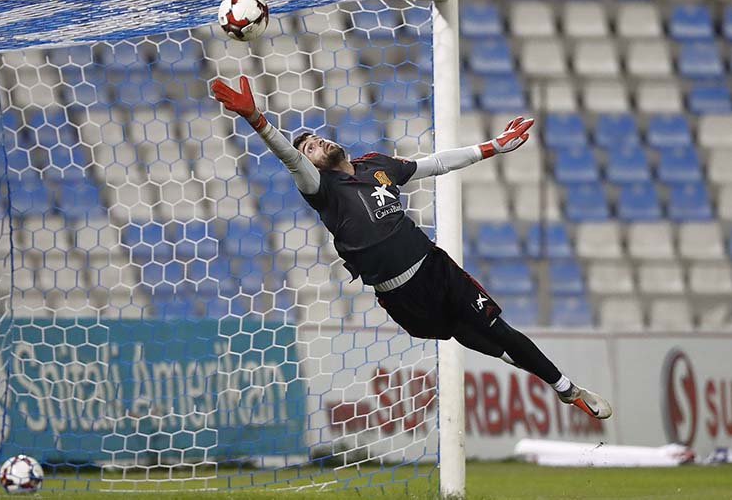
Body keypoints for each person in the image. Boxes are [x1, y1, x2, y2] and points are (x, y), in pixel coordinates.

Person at [211, 76, 612, 420]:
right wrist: (256, 120)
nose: (316, 144)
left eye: (316, 138)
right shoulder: (322, 190)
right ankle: (545, 375)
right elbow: (288, 159)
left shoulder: (375, 165)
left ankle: (567, 388)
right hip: (399, 294)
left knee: (494, 327)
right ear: (310, 166)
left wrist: (493, 146)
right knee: (459, 332)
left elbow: (434, 164)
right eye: (309, 149)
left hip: (435, 268)